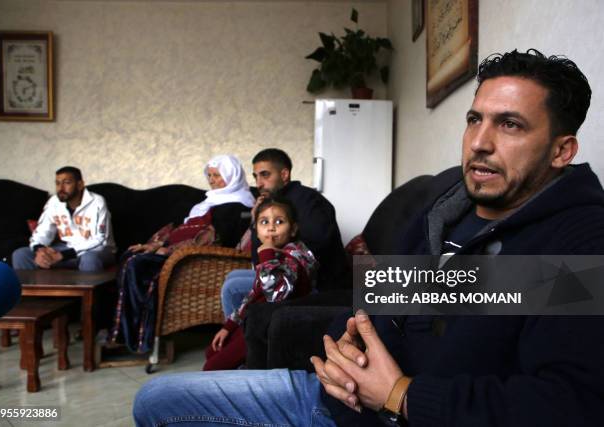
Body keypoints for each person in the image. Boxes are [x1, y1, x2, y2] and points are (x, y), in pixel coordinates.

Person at [133, 49, 604, 426]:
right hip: (338, 398)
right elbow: (373, 304)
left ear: (561, 150)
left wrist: (402, 396)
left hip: (394, 413)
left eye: (510, 124)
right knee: (155, 399)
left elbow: (570, 404)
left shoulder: (576, 240)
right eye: (474, 119)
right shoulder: (447, 213)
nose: (480, 141)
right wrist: (340, 353)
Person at [110, 154, 254, 353]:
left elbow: (215, 239)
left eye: (217, 175)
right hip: (179, 255)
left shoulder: (237, 206)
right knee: (129, 256)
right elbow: (185, 230)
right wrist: (156, 244)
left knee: (136, 264)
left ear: (232, 176)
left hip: (193, 261)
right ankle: (124, 332)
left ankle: (138, 336)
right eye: (210, 175)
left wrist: (167, 250)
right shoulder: (211, 201)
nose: (212, 181)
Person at [221, 148, 347, 318]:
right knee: (233, 276)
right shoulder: (276, 203)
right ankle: (242, 333)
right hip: (288, 270)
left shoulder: (309, 200)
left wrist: (273, 255)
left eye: (265, 175)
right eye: (256, 176)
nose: (258, 184)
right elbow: (258, 260)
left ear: (284, 174)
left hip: (314, 282)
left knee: (233, 287)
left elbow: (316, 247)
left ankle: (243, 338)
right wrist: (255, 220)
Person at [204, 196, 318, 370]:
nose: (271, 227)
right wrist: (229, 326)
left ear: (293, 229)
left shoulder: (293, 258)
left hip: (269, 326)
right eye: (264, 222)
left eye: (279, 222)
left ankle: (246, 373)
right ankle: (243, 364)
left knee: (211, 368)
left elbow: (275, 295)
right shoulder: (274, 254)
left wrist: (266, 257)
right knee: (212, 352)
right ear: (256, 230)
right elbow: (254, 293)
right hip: (255, 316)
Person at [12, 166, 116, 272]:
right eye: (57, 183)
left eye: (67, 183)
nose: (60, 188)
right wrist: (40, 250)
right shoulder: (54, 202)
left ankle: (87, 289)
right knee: (21, 254)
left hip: (97, 251)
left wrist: (64, 254)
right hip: (64, 250)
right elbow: (43, 232)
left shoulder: (97, 202)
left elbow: (100, 240)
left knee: (90, 259)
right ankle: (33, 289)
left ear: (80, 185)